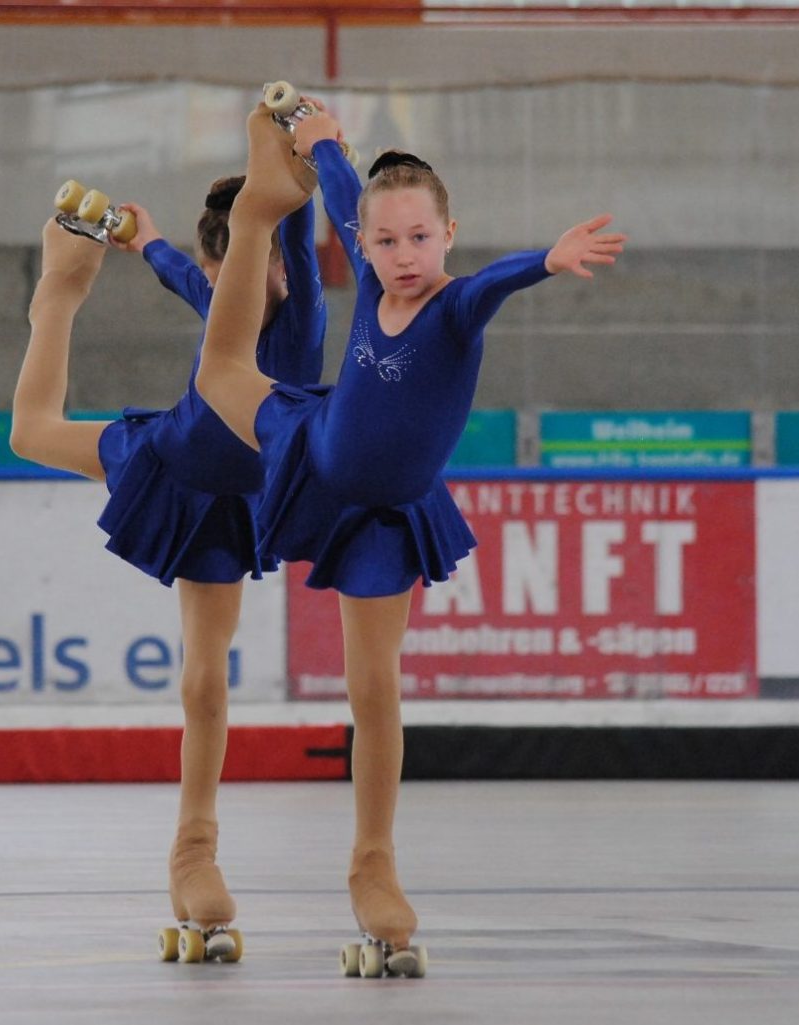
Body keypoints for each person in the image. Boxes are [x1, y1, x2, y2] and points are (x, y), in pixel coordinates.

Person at [194, 99, 626, 968]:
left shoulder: (455, 309)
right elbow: (349, 192)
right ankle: (250, 213)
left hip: (383, 515)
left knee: (372, 690)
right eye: (385, 243)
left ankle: (372, 862)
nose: (401, 257)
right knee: (218, 379)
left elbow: (494, 279)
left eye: (418, 240)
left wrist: (547, 258)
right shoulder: (366, 249)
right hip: (311, 449)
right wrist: (316, 142)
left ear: (446, 234)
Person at [10, 178, 326, 959]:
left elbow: (283, 249)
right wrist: (147, 243)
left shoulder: (300, 310)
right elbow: (195, 278)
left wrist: (305, 164)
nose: (275, 279)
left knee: (206, 675)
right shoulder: (222, 295)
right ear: (224, 274)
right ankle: (57, 294)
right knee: (30, 433)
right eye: (255, 267)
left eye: (281, 265)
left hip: (233, 499)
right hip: (173, 461)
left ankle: (194, 847)